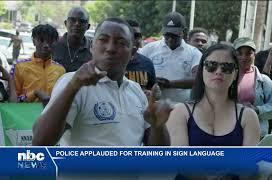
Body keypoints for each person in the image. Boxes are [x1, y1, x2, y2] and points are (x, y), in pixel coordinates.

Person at [32, 17, 172, 147]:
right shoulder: (71, 82)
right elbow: (41, 142)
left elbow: (159, 154)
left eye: (120, 42)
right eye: (103, 40)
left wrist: (158, 126)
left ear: (132, 53)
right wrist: (72, 88)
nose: (110, 48)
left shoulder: (136, 92)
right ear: (92, 46)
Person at [166, 43, 260, 146]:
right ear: (202, 70)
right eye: (211, 65)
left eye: (227, 67)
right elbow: (180, 160)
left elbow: (249, 161)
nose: (218, 71)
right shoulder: (180, 112)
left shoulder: (248, 116)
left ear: (235, 74)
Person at [140, 12, 202, 103]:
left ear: (184, 32)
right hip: (152, 107)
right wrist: (150, 82)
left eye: (174, 35)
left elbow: (198, 80)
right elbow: (136, 72)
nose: (170, 39)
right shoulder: (149, 49)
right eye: (167, 35)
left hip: (181, 109)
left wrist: (170, 84)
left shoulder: (194, 53)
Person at [233, 37, 272, 138]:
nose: (244, 57)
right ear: (233, 55)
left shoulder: (264, 80)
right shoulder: (225, 76)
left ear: (254, 55)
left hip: (256, 134)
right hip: (229, 134)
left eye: (248, 53)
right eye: (239, 53)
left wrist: (257, 110)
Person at [10, 24, 65, 103]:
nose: (46, 45)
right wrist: (34, 94)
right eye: (41, 40)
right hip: (24, 114)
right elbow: (12, 102)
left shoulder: (61, 70)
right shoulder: (19, 67)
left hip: (52, 115)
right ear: (33, 41)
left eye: (50, 41)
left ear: (55, 42)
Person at [53, 7, 92, 72]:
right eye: (72, 20)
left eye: (82, 21)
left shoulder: (94, 49)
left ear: (88, 26)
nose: (77, 24)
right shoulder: (53, 45)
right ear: (66, 23)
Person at [125, 19, 156, 90]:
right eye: (131, 35)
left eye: (138, 36)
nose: (136, 39)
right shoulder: (112, 63)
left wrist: (152, 94)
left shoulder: (147, 63)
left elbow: (151, 90)